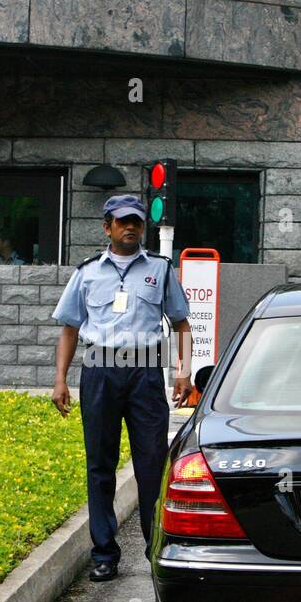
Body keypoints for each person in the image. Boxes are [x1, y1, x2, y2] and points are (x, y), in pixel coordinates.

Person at [50, 194, 193, 582]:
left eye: (137, 222)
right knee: (100, 464)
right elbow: (69, 329)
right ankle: (104, 554)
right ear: (107, 227)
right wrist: (60, 379)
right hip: (100, 370)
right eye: (122, 221)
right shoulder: (86, 273)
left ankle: (155, 550)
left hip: (144, 373)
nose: (130, 228)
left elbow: (180, 324)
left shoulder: (160, 270)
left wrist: (183, 372)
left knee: (151, 464)